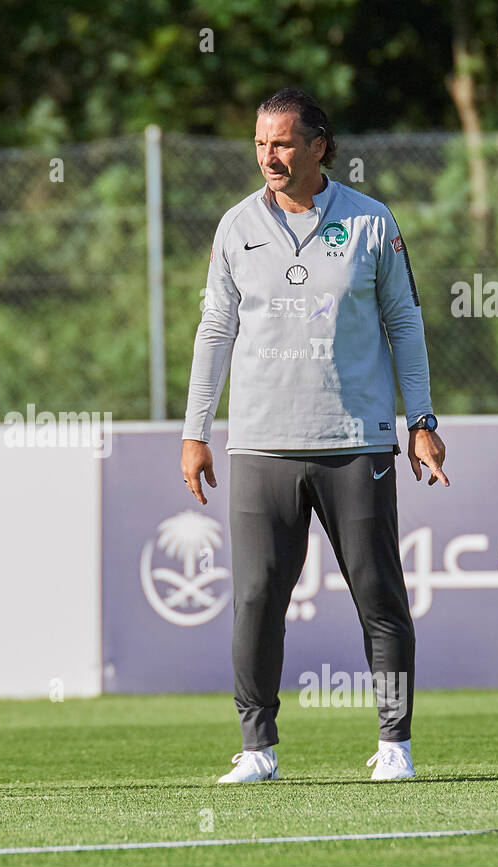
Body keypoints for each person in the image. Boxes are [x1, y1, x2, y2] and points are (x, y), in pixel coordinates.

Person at [181, 88, 448, 784]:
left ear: (319, 147)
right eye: (262, 143)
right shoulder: (235, 226)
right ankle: (257, 749)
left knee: (378, 592)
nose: (270, 156)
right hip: (262, 444)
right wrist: (195, 430)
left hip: (356, 441)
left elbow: (406, 323)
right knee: (256, 598)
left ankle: (396, 743)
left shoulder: (371, 223)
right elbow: (215, 329)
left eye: (284, 143)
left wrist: (421, 421)